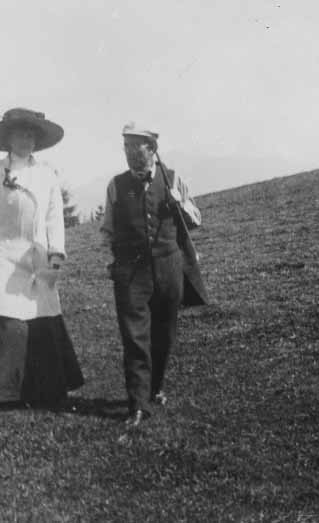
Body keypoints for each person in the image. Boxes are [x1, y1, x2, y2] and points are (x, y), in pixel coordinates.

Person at [0, 107, 84, 409]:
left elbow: (54, 218)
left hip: (37, 260)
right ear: (8, 138)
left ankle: (44, 390)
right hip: (1, 257)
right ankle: (1, 393)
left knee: (41, 320)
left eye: (32, 134)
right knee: (7, 320)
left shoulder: (47, 175)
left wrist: (56, 252)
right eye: (21, 133)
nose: (26, 139)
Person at [100, 122, 202, 427]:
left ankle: (155, 388)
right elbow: (106, 231)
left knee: (164, 335)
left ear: (152, 149)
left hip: (169, 269)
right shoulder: (115, 185)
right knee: (134, 337)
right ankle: (138, 404)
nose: (131, 153)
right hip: (130, 273)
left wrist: (179, 202)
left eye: (137, 147)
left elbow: (196, 220)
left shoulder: (172, 178)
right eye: (127, 147)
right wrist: (112, 262)